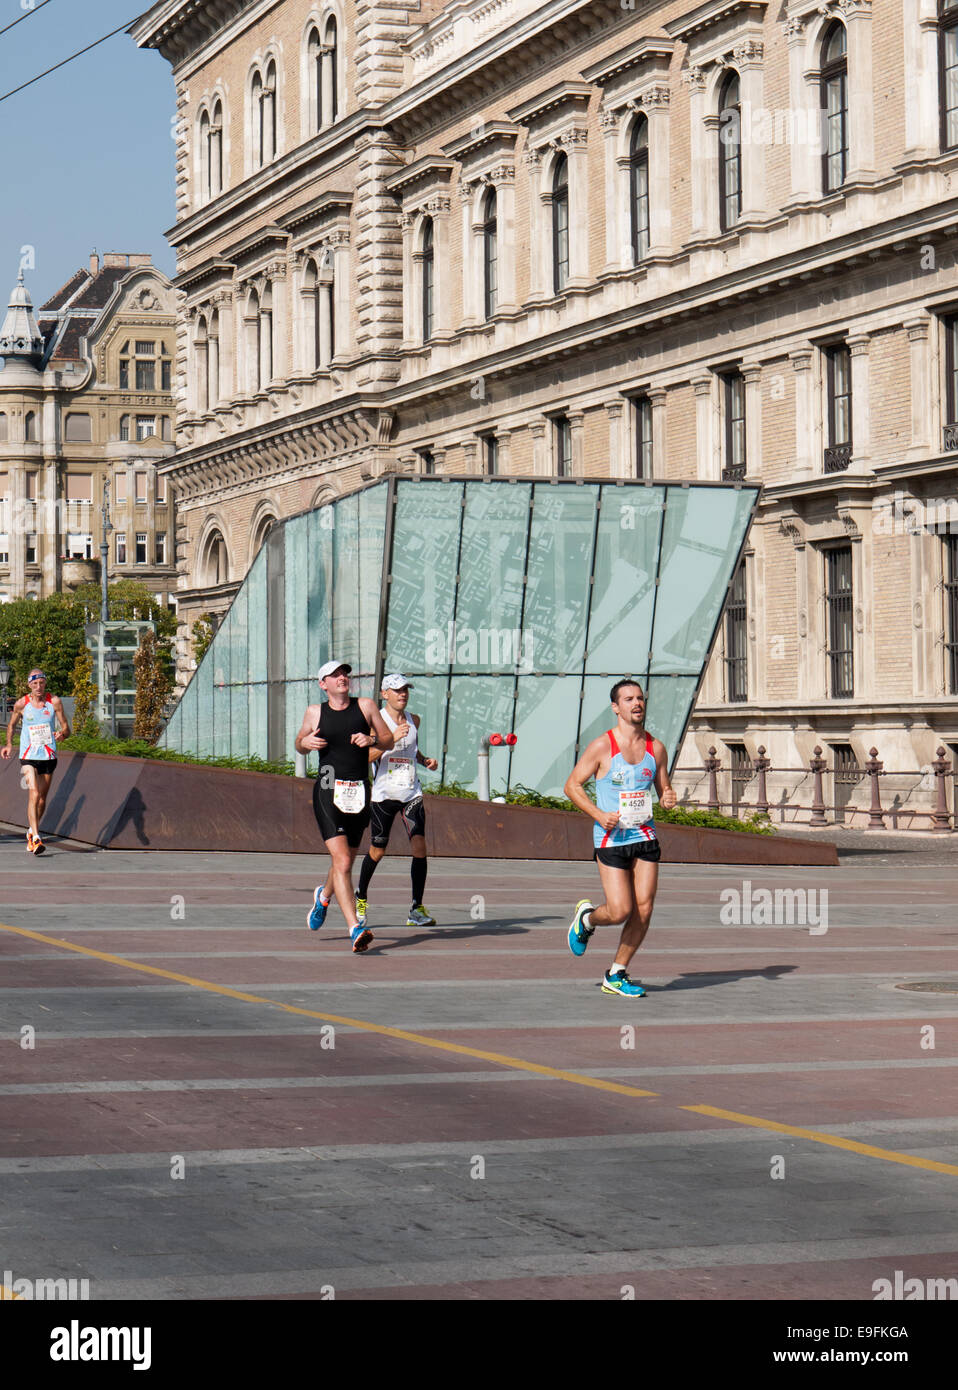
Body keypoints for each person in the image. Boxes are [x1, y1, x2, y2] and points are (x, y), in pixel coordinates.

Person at [563, 679, 677, 998]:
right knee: (619, 910)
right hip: (611, 838)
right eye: (628, 699)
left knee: (644, 908)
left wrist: (667, 796)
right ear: (616, 707)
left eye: (640, 698)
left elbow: (663, 788)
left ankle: (616, 973)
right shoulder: (602, 746)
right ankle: (587, 919)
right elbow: (572, 786)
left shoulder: (656, 748)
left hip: (645, 835)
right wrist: (599, 815)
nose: (636, 703)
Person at [295, 661, 395, 952]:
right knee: (344, 862)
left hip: (359, 792)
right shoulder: (315, 712)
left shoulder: (365, 707)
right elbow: (298, 743)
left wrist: (372, 738)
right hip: (327, 790)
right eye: (335, 675)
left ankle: (323, 897)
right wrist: (305, 742)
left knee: (345, 859)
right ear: (322, 683)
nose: (343, 678)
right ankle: (355, 928)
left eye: (345, 674)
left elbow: (387, 739)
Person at [356, 674, 439, 930]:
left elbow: (412, 749)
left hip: (411, 793)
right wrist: (390, 738)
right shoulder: (375, 722)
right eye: (397, 690)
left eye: (405, 690)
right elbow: (366, 756)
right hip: (383, 796)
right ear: (385, 694)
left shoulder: (415, 720)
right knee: (377, 850)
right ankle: (360, 898)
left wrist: (425, 760)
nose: (402, 694)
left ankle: (416, 908)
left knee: (420, 847)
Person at [1, 667, 70, 855]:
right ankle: (37, 838)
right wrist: (8, 744)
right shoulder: (22, 704)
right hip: (28, 756)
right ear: (29, 685)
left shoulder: (54, 702)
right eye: (34, 684)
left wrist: (62, 734)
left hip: (48, 756)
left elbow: (66, 728)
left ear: (45, 683)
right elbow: (12, 725)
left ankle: (31, 831)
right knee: (33, 791)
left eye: (41, 683)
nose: (38, 687)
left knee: (41, 799)